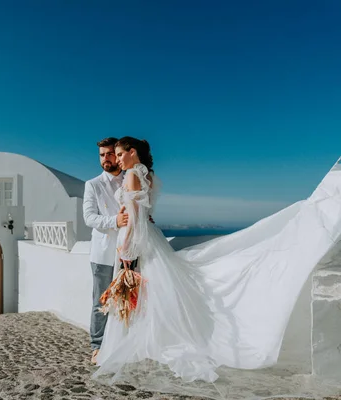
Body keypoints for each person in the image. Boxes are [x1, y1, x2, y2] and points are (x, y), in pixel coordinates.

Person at [92, 137, 341, 399]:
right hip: (153, 237)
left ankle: (132, 346)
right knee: (149, 294)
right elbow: (145, 212)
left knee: (138, 294)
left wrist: (127, 248)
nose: (117, 159)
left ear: (132, 153)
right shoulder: (147, 175)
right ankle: (145, 343)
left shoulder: (131, 174)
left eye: (120, 154)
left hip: (138, 240)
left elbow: (133, 218)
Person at [83, 137, 128, 365]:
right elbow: (89, 217)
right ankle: (97, 346)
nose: (106, 158)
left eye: (110, 153)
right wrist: (115, 220)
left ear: (118, 154)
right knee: (100, 302)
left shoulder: (130, 179)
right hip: (102, 253)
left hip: (127, 252)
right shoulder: (93, 184)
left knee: (127, 299)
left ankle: (123, 344)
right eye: (102, 155)